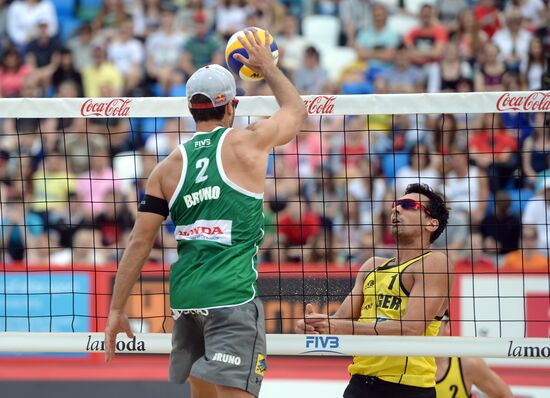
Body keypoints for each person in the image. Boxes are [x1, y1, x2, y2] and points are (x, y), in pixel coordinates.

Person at [104, 29, 307, 398]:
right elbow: (296, 111)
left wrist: (117, 310)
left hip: (186, 301)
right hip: (230, 298)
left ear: (190, 108)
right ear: (232, 107)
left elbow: (138, 243)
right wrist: (269, 69)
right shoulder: (247, 141)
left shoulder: (165, 168)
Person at [297, 183, 451, 398]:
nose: (396, 209)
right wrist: (314, 325)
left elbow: (411, 330)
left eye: (408, 205)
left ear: (431, 223)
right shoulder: (372, 266)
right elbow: (338, 321)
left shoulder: (434, 262)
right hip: (360, 384)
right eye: (396, 204)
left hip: (406, 388)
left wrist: (336, 324)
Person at [436, 313, 514, 398]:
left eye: (434, 319)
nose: (428, 325)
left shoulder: (467, 363)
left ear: (447, 325)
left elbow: (504, 395)